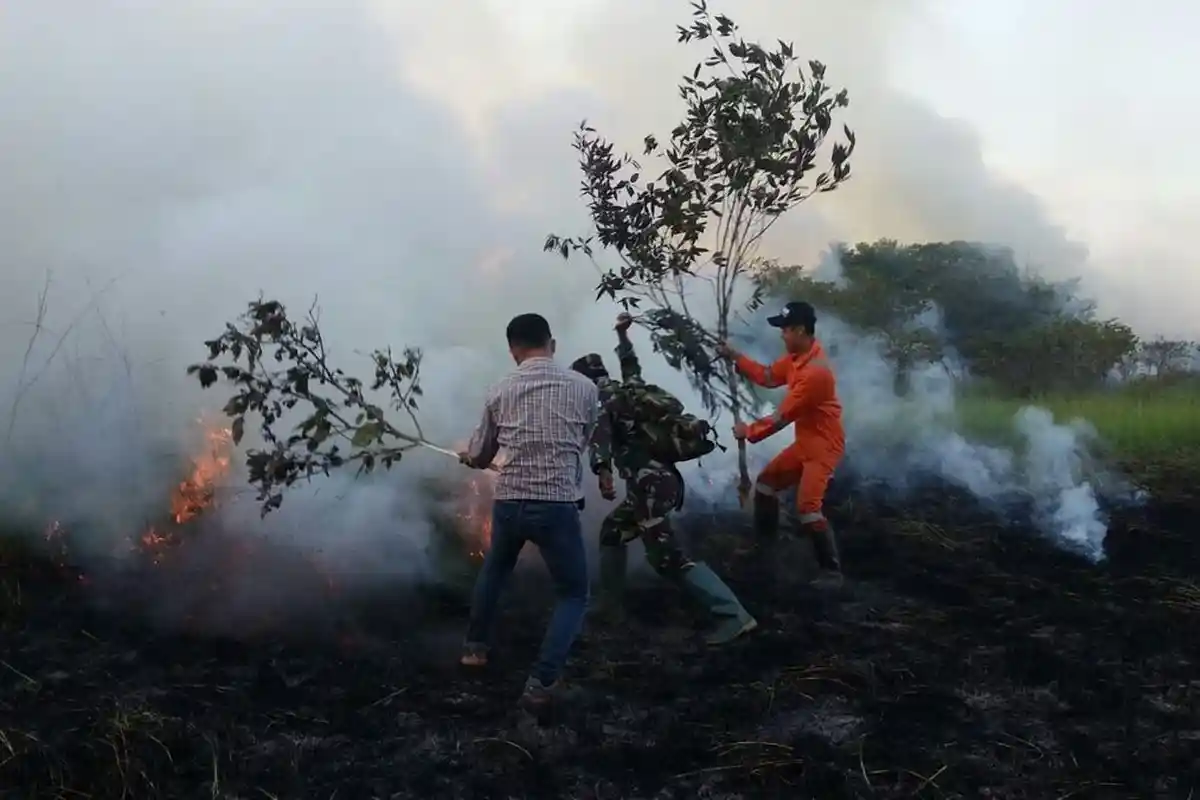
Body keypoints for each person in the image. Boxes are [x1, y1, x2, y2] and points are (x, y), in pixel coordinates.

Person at [571, 313, 758, 646]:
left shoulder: (600, 401)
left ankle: (733, 615)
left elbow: (600, 439)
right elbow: (632, 365)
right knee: (612, 532)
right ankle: (610, 607)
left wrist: (603, 473)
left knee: (668, 559)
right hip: (658, 483)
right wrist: (623, 337)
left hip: (650, 488)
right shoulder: (630, 389)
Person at [456, 313, 599, 709]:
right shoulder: (585, 388)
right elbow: (581, 441)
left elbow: (481, 454)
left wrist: (471, 458)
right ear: (552, 344)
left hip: (510, 502)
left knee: (495, 571)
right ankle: (542, 682)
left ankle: (474, 649)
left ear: (513, 350)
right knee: (573, 593)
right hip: (556, 506)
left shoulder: (499, 389)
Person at [716, 301, 846, 588]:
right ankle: (765, 547)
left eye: (785, 329)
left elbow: (782, 417)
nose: (781, 334)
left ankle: (831, 571)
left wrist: (748, 432)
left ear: (799, 330)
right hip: (806, 442)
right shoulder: (797, 358)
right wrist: (736, 357)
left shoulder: (815, 373)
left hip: (824, 446)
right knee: (765, 485)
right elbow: (767, 376)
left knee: (808, 507)